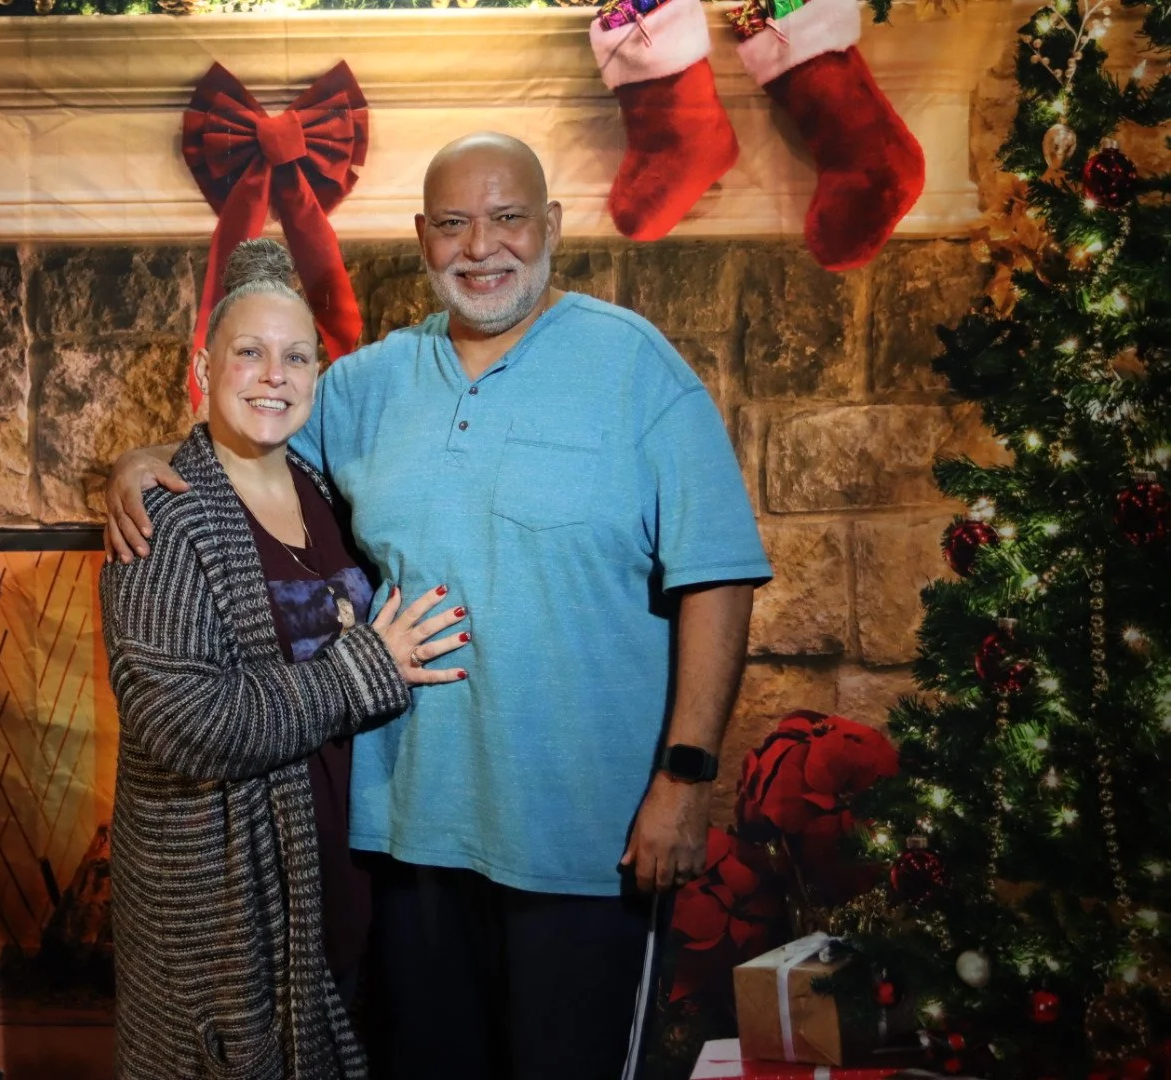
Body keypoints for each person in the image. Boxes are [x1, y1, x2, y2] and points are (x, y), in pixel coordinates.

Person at [103, 134, 772, 1080]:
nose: (481, 246)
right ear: (423, 238)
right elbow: (253, 427)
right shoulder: (364, 387)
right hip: (404, 840)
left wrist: (686, 778)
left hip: (587, 838)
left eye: (507, 219)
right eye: (453, 223)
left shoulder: (635, 368)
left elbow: (718, 575)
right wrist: (141, 462)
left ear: (551, 227)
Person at [100, 237, 470, 1080]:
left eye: (295, 356)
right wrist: (363, 671)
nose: (274, 374)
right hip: (234, 897)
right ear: (205, 365)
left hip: (343, 856)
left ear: (317, 372)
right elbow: (180, 723)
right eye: (250, 352)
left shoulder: (324, 482)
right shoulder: (167, 518)